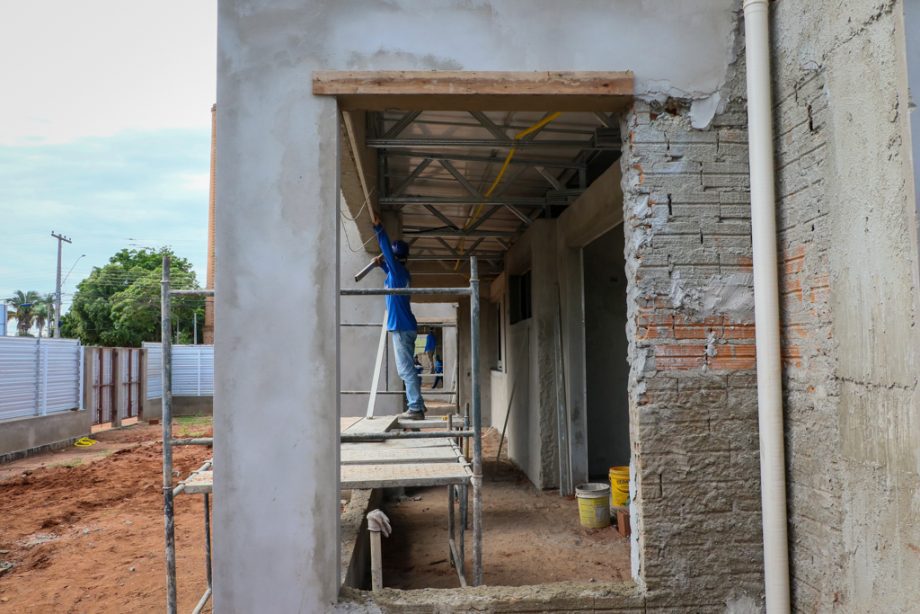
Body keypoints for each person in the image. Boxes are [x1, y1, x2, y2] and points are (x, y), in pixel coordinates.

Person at [374, 223, 426, 420]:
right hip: (405, 326)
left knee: (405, 369)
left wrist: (379, 229)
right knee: (407, 369)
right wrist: (382, 265)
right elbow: (391, 269)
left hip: (402, 327)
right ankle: (418, 404)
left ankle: (415, 408)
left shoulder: (396, 272)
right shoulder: (400, 274)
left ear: (394, 258)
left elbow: (387, 251)